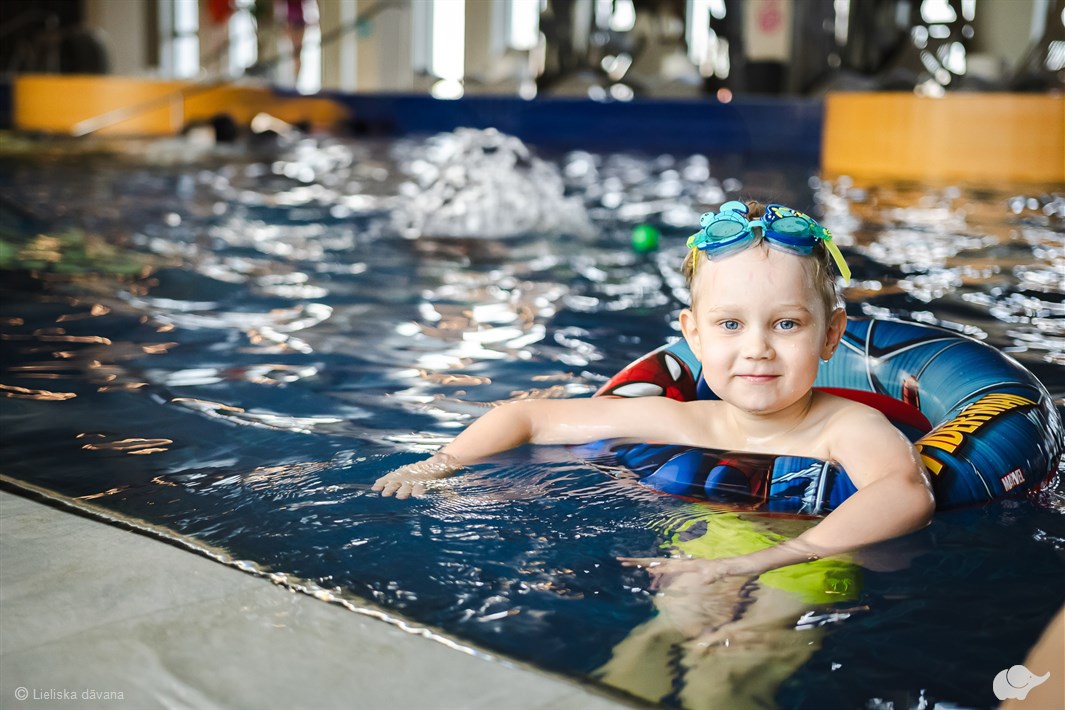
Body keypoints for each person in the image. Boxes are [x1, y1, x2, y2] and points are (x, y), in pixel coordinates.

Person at [373, 200, 935, 585]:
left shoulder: (847, 428)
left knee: (746, 656)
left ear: (831, 335)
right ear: (694, 335)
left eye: (786, 324)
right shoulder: (687, 422)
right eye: (730, 325)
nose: (757, 349)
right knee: (651, 646)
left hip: (809, 564)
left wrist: (767, 560)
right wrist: (439, 463)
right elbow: (528, 419)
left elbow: (906, 494)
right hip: (704, 543)